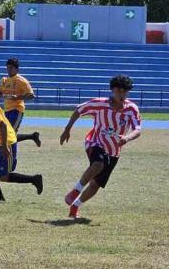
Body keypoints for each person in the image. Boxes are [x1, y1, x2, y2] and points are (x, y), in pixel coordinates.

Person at [60, 75, 141, 219]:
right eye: (118, 91)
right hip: (95, 142)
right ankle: (75, 191)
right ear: (112, 90)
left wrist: (127, 138)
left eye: (124, 92)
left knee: (95, 185)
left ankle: (75, 206)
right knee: (98, 164)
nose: (121, 94)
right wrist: (67, 129)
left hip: (114, 151)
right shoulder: (99, 104)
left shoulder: (131, 109)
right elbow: (79, 110)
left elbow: (138, 129)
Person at [0, 58, 41, 148]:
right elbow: (0, 92)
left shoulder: (21, 80)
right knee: (7, 134)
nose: (9, 70)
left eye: (11, 68)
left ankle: (9, 155)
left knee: (9, 135)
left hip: (17, 110)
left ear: (17, 69)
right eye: (7, 68)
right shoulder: (4, 80)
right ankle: (32, 136)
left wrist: (18, 97)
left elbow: (31, 95)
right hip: (6, 110)